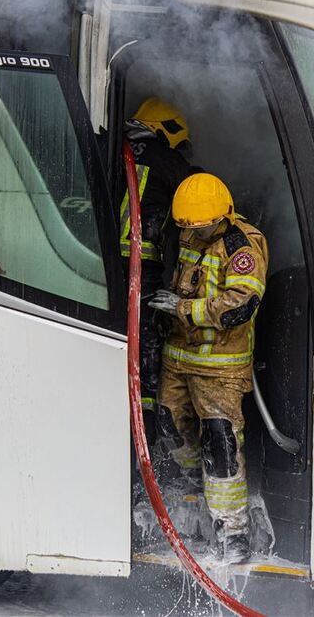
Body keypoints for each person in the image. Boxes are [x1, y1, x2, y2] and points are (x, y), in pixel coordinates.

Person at [147, 173, 268, 564]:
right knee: (168, 425)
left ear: (223, 216)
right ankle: (200, 494)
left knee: (221, 444)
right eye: (188, 228)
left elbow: (240, 305)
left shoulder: (242, 245)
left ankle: (232, 529)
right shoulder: (188, 233)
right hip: (178, 358)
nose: (193, 235)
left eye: (202, 228)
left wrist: (184, 309)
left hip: (219, 368)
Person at [119, 97, 193, 434]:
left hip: (98, 265)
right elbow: (195, 199)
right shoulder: (168, 161)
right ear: (167, 130)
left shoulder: (114, 150)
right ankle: (145, 427)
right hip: (139, 265)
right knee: (145, 342)